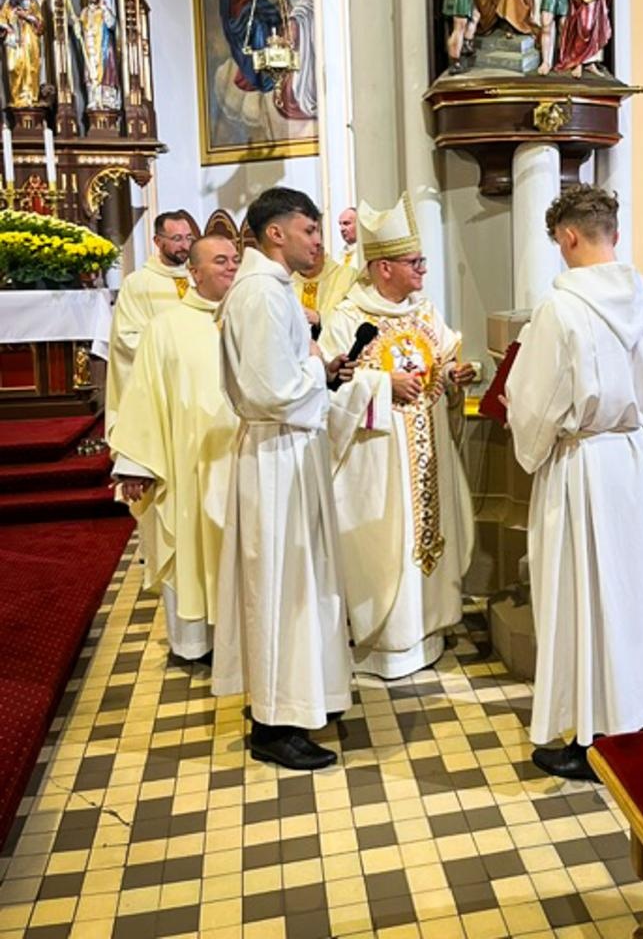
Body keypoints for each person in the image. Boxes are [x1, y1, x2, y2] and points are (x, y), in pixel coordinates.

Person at [505, 184, 643, 781]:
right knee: (631, 595)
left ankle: (588, 733)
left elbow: (536, 402)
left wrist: (526, 430)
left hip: (581, 463)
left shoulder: (560, 309)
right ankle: (631, 714)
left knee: (581, 596)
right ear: (614, 233)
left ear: (568, 237)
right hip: (632, 456)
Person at [213, 187, 352, 770]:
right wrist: (318, 372)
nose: (318, 241)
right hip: (276, 456)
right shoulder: (262, 294)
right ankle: (273, 725)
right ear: (275, 233)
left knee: (296, 584)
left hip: (288, 448)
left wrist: (318, 371)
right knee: (279, 587)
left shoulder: (272, 289)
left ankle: (297, 698)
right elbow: (273, 390)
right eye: (309, 230)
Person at [320, 192, 476, 678]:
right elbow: (328, 390)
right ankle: (386, 644)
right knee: (384, 549)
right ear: (383, 268)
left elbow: (440, 359)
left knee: (427, 541)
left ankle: (428, 630)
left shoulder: (424, 312)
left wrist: (453, 375)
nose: (423, 270)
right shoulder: (348, 317)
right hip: (377, 464)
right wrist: (383, 384)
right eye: (415, 262)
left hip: (427, 455)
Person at [110, 236, 241, 661]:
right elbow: (143, 394)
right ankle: (195, 644)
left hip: (245, 459)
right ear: (194, 272)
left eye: (235, 259)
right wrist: (135, 463)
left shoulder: (251, 316)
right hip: (190, 465)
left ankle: (246, 638)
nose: (231, 267)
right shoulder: (165, 327)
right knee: (189, 545)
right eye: (220, 261)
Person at [106, 211, 194, 437]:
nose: (185, 245)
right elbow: (125, 337)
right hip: (160, 377)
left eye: (188, 238)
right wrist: (172, 353)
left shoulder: (198, 278)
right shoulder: (137, 283)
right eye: (177, 239)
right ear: (157, 241)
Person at [72, 0, 120, 111]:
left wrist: (105, 10)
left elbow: (112, 24)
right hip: (90, 50)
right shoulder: (85, 12)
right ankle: (94, 99)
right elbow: (79, 32)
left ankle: (107, 100)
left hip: (103, 48)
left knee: (106, 73)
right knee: (90, 74)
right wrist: (77, 27)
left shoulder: (104, 11)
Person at [0, 0, 44, 107]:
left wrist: (26, 16)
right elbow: (2, 19)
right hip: (14, 41)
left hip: (29, 38)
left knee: (30, 66)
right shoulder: (8, 4)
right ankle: (17, 97)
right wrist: (7, 27)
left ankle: (30, 96)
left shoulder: (32, 3)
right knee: (13, 67)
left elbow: (40, 22)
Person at [292, 244, 355, 331]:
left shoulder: (347, 276)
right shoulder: (285, 280)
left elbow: (355, 320)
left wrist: (320, 318)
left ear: (321, 250)